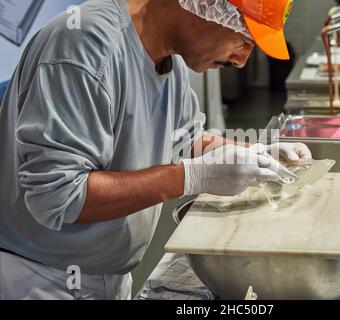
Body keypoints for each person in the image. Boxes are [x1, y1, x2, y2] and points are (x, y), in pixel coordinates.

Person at [0, 0, 311, 300]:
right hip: (40, 278)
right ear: (206, 5)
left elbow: (185, 140)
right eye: (244, 38)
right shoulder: (86, 46)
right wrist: (191, 178)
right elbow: (59, 197)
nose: (241, 61)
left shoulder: (167, 59)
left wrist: (259, 155)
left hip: (108, 272)